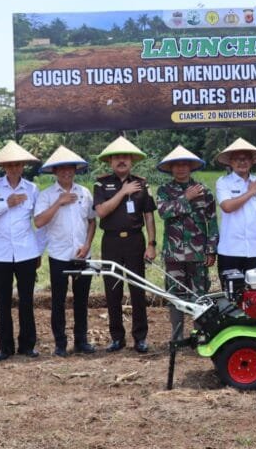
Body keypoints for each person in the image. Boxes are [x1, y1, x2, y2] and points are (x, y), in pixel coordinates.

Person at [0, 141, 43, 362]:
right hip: (0, 253)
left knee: (26, 301)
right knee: (2, 302)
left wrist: (39, 250)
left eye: (18, 164)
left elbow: (40, 222)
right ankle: (5, 348)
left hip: (26, 252)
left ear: (23, 166)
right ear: (4, 166)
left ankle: (28, 345)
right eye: (10, 164)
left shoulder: (32, 189)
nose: (14, 168)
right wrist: (6, 203)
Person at [93, 136, 157, 354]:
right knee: (113, 291)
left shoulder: (141, 183)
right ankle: (116, 338)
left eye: (125, 157)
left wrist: (151, 243)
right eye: (117, 157)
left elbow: (148, 215)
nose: (121, 161)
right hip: (111, 242)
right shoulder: (101, 184)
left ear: (131, 161)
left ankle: (140, 338)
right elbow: (101, 211)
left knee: (138, 290)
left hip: (135, 241)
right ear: (110, 161)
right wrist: (122, 192)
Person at [34, 146, 96, 357]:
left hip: (82, 254)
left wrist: (87, 244)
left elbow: (91, 221)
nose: (66, 172)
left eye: (70, 169)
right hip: (59, 255)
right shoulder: (46, 195)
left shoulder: (84, 193)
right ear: (54, 172)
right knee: (58, 301)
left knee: (82, 300)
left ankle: (81, 341)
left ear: (75, 171)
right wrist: (59, 202)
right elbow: (39, 221)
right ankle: (60, 344)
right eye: (61, 169)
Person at [156, 145, 218, 340]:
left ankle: (199, 334)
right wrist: (186, 198)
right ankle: (177, 337)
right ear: (171, 168)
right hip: (173, 253)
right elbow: (163, 212)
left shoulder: (204, 191)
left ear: (191, 167)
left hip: (199, 253)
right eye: (177, 165)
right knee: (175, 295)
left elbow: (212, 221)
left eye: (185, 165)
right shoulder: (164, 190)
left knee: (199, 294)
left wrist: (211, 249)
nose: (181, 169)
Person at [214, 138, 256, 286]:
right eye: (237, 159)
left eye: (246, 158)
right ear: (230, 162)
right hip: (230, 250)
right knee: (231, 296)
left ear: (252, 161)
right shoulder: (223, 182)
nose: (242, 162)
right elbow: (227, 207)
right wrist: (250, 192)